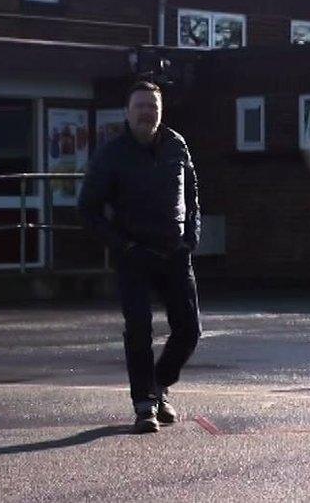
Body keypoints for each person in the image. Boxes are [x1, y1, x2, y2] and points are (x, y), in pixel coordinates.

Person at [77, 81, 201, 434]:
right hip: (134, 255)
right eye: (140, 106)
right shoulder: (112, 153)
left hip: (175, 253)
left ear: (161, 111)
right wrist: (121, 245)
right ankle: (144, 404)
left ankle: (159, 384)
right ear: (127, 112)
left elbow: (192, 195)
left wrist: (191, 238)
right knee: (139, 329)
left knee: (189, 330)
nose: (147, 112)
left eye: (153, 106)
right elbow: (88, 209)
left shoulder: (177, 145)